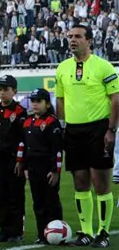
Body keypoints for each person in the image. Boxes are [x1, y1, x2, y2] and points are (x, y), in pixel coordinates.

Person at [55, 24, 119, 247]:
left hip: (99, 129)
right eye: (70, 36)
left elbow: (115, 99)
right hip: (73, 130)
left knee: (101, 183)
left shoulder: (104, 66)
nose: (73, 40)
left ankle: (103, 233)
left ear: (89, 41)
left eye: (78, 36)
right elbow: (60, 99)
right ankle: (86, 232)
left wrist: (111, 130)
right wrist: (62, 126)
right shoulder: (62, 68)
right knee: (80, 182)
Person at [0, 75, 27, 243]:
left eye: (6, 90)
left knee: (16, 196)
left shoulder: (20, 112)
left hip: (14, 161)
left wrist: (21, 161)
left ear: (14, 91)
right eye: (0, 89)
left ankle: (16, 231)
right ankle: (4, 230)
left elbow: (23, 138)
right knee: (2, 197)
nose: (2, 93)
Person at [18, 88, 64, 243]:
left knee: (51, 201)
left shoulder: (52, 122)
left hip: (47, 169)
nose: (35, 104)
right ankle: (41, 234)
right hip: (32, 168)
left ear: (47, 104)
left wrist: (55, 171)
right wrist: (23, 166)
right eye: (33, 101)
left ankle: (57, 233)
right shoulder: (27, 122)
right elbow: (23, 146)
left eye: (39, 101)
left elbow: (57, 150)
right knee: (37, 203)